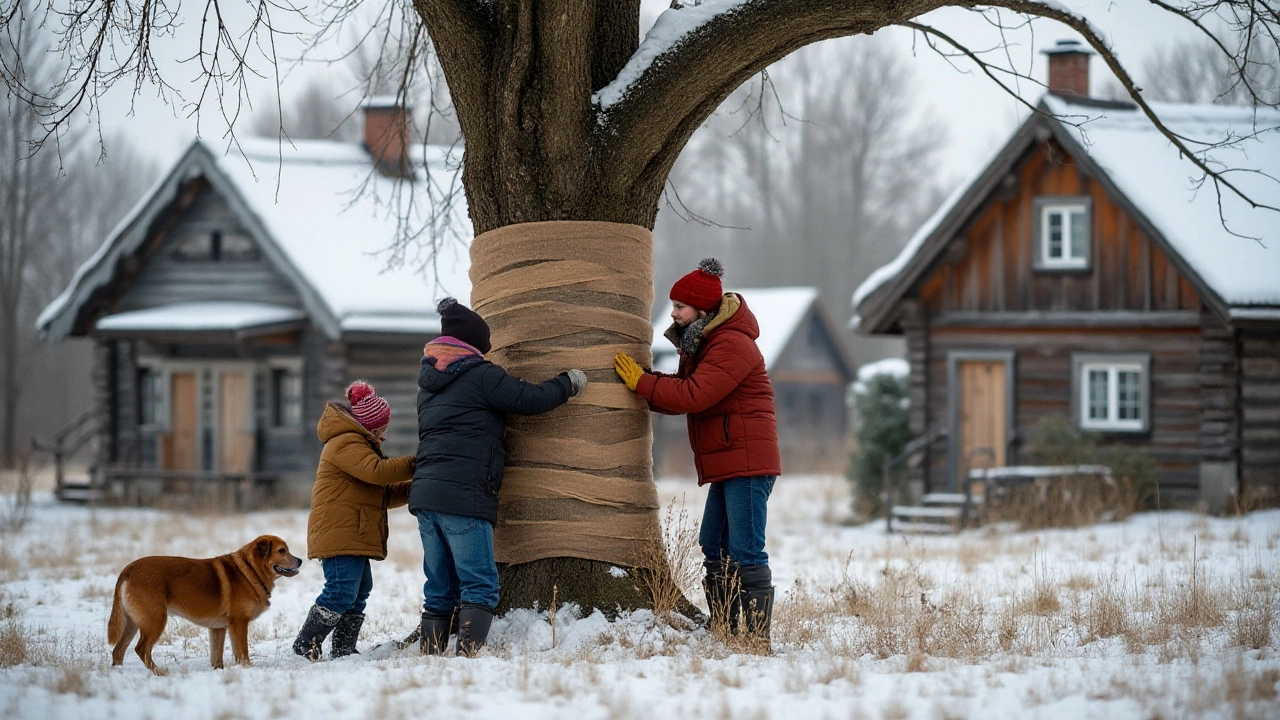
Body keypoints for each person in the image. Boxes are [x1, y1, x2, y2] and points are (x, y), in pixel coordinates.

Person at [613, 258, 781, 645]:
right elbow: (682, 390)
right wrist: (645, 383)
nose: (672, 313)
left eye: (679, 307)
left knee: (746, 551)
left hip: (748, 463)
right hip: (728, 460)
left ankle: (755, 642)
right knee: (714, 546)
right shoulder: (704, 343)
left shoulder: (732, 344)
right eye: (672, 305)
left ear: (702, 310)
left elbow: (694, 395)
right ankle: (725, 630)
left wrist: (642, 384)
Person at [411, 297, 588, 656]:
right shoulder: (481, 376)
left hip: (426, 498)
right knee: (479, 584)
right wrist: (567, 383)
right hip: (464, 495)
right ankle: (469, 656)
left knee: (440, 586)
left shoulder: (427, 385)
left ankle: (430, 658)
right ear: (473, 345)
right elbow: (532, 399)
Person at [293, 381, 415, 660]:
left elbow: (380, 495)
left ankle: (344, 647)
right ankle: (306, 642)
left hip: (353, 531)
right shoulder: (345, 442)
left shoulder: (359, 444)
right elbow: (377, 472)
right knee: (340, 590)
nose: (385, 433)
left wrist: (413, 487)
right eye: (383, 427)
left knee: (359, 590)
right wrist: (415, 464)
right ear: (372, 426)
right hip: (339, 531)